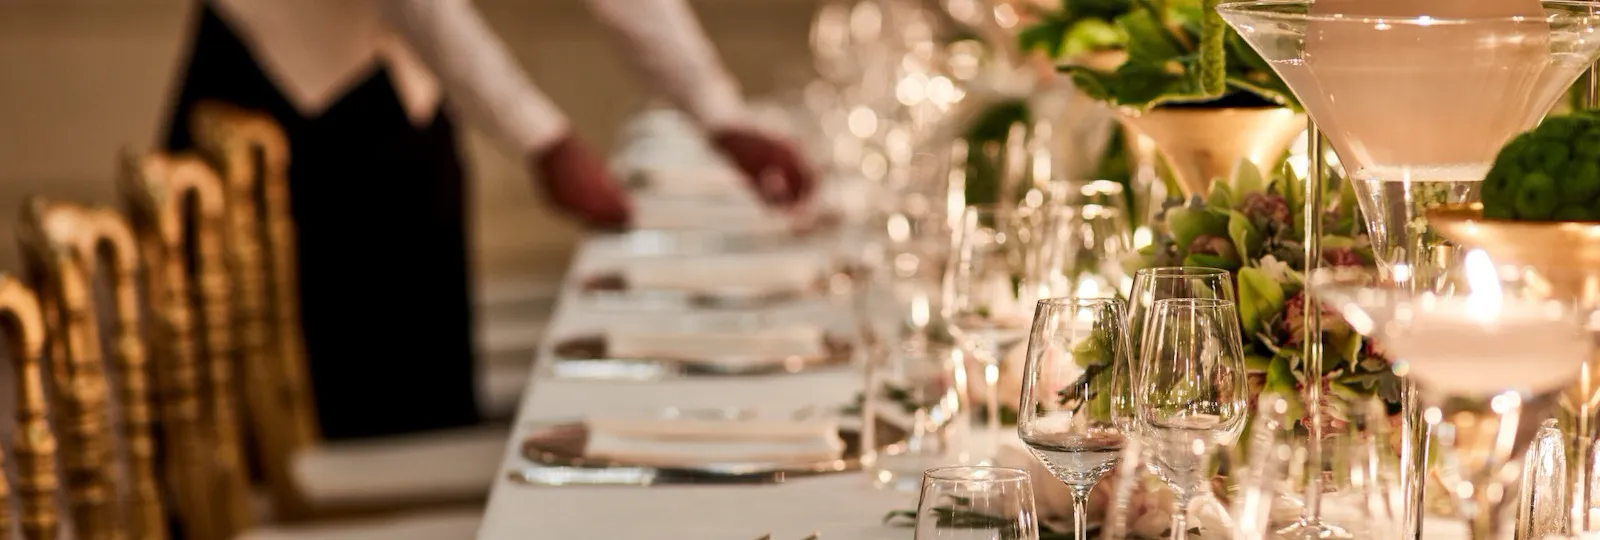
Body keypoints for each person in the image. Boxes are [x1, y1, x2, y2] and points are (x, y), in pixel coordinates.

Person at [163, 0, 813, 441]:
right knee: (342, 405)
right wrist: (543, 140)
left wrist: (720, 115)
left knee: (429, 394)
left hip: (398, 90)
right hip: (278, 82)